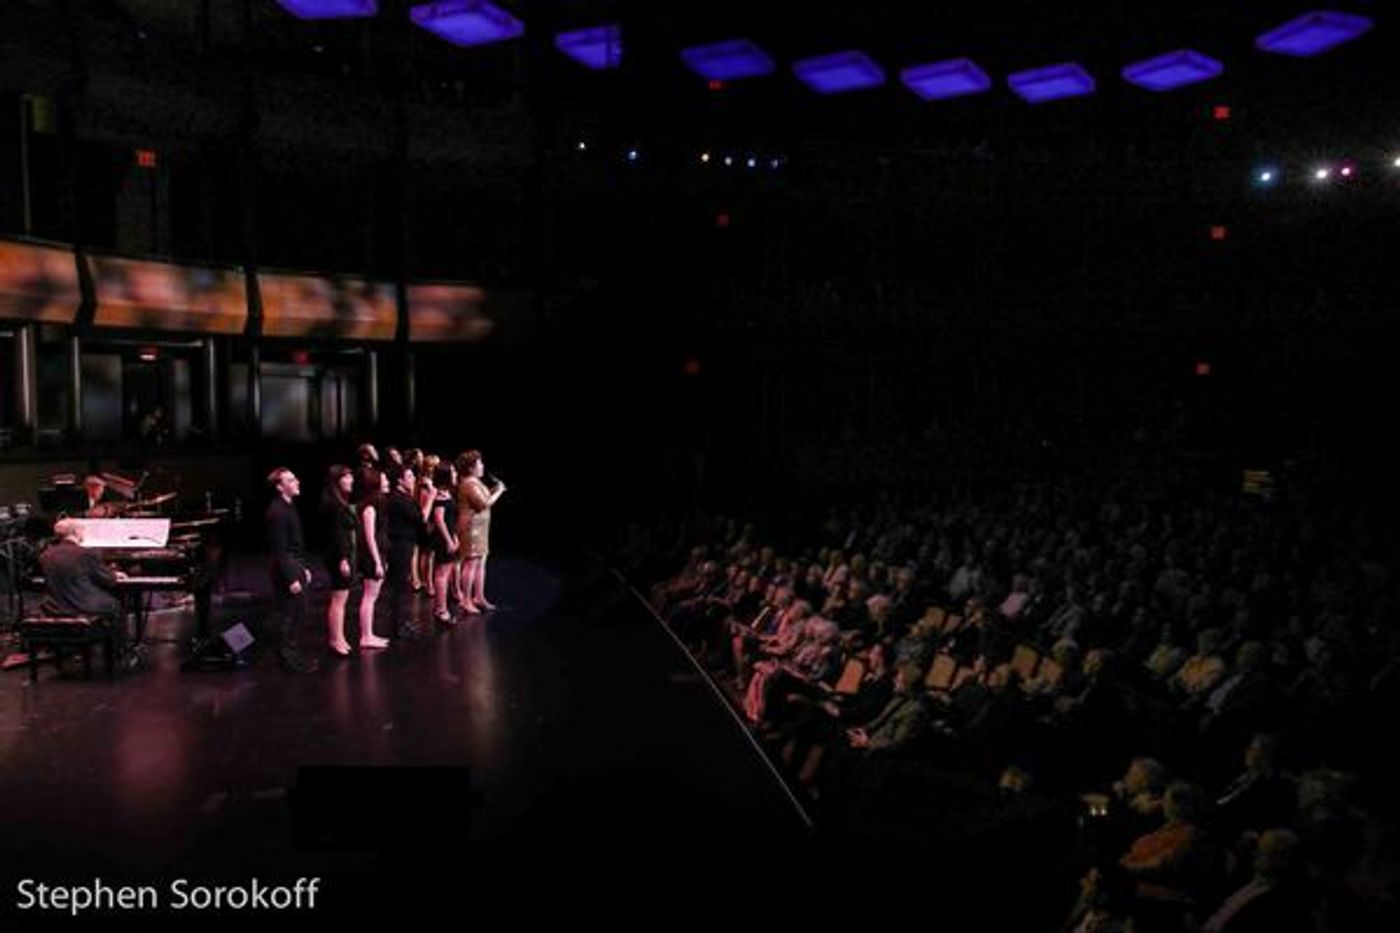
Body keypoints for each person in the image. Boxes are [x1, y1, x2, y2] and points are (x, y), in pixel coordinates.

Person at [38, 518, 135, 667]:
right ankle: (120, 652)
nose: (83, 532)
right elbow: (108, 581)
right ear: (75, 532)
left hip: (54, 607)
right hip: (83, 606)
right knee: (115, 604)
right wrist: (115, 574)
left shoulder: (46, 555)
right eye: (82, 529)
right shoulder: (85, 554)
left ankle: (76, 650)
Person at [265, 468, 317, 673]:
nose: (297, 482)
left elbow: (293, 545)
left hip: (294, 565)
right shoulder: (277, 511)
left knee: (299, 613)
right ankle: (287, 659)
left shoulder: (287, 507)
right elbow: (279, 549)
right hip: (286, 569)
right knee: (291, 614)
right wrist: (291, 578)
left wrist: (303, 569)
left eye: (295, 478)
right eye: (291, 480)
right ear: (280, 487)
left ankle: (290, 656)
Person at [455, 450, 505, 613]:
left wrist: (493, 489)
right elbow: (483, 504)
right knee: (471, 563)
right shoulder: (468, 483)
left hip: (480, 528)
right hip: (471, 529)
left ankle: (478, 596)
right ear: (470, 468)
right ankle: (466, 600)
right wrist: (499, 491)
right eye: (479, 464)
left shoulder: (475, 481)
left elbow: (482, 498)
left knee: (480, 563)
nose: (482, 466)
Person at [321, 465, 358, 657]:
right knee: (338, 600)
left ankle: (340, 637)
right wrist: (343, 559)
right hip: (337, 556)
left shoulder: (338, 502)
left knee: (341, 599)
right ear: (337, 480)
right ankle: (335, 640)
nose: (351, 480)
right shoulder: (334, 505)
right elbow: (337, 535)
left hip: (340, 555)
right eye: (347, 477)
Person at [385, 464, 426, 639]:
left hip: (406, 543)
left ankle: (401, 622)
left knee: (402, 586)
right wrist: (430, 499)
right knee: (397, 587)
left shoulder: (405, 497)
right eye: (409, 476)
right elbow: (419, 518)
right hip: (398, 546)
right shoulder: (397, 499)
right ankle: (397, 626)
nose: (413, 479)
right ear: (400, 480)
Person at [355, 466, 393, 648]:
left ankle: (369, 634)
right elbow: (369, 536)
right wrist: (378, 562)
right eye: (384, 480)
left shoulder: (378, 503)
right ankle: (366, 636)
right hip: (372, 556)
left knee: (372, 596)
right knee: (369, 596)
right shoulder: (370, 506)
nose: (387, 482)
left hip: (378, 553)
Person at [429, 462, 460, 625]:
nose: (455, 474)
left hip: (448, 536)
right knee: (442, 574)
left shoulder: (447, 493)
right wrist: (449, 540)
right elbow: (439, 520)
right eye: (453, 472)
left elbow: (450, 520)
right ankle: (441, 611)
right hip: (442, 539)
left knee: (445, 574)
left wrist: (455, 537)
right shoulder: (440, 495)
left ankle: (440, 608)